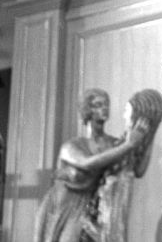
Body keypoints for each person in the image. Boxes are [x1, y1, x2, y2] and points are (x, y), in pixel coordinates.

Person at [34, 88, 150, 242]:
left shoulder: (113, 144)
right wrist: (128, 145)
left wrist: (148, 136)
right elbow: (88, 163)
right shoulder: (72, 146)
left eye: (106, 104)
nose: (105, 108)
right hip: (63, 206)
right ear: (87, 110)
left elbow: (137, 170)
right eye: (98, 104)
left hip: (92, 207)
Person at [82, 88, 162, 241]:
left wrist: (149, 133)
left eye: (127, 111)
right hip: (98, 215)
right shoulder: (117, 146)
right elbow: (90, 166)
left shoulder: (126, 150)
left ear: (137, 117)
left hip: (115, 214)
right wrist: (130, 144)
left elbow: (139, 170)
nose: (124, 116)